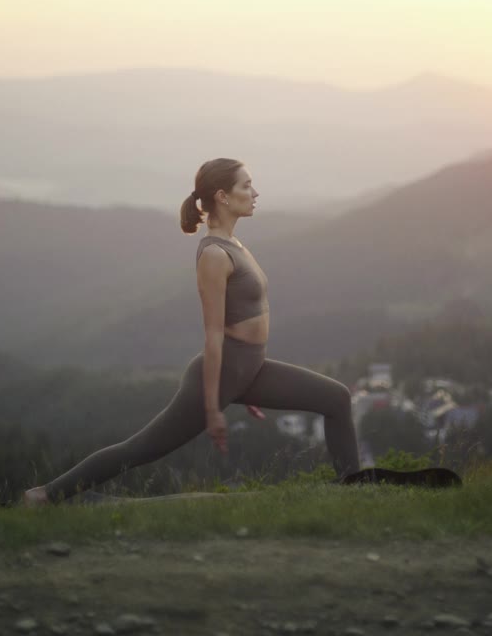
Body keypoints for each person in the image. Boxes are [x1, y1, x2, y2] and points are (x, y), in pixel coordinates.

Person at [23, 157, 361, 506]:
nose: (255, 193)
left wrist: (248, 388)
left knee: (336, 398)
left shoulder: (235, 244)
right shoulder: (214, 254)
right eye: (246, 185)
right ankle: (44, 496)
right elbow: (214, 336)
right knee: (140, 449)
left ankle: (355, 492)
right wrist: (216, 406)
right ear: (223, 196)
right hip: (220, 374)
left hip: (249, 370)